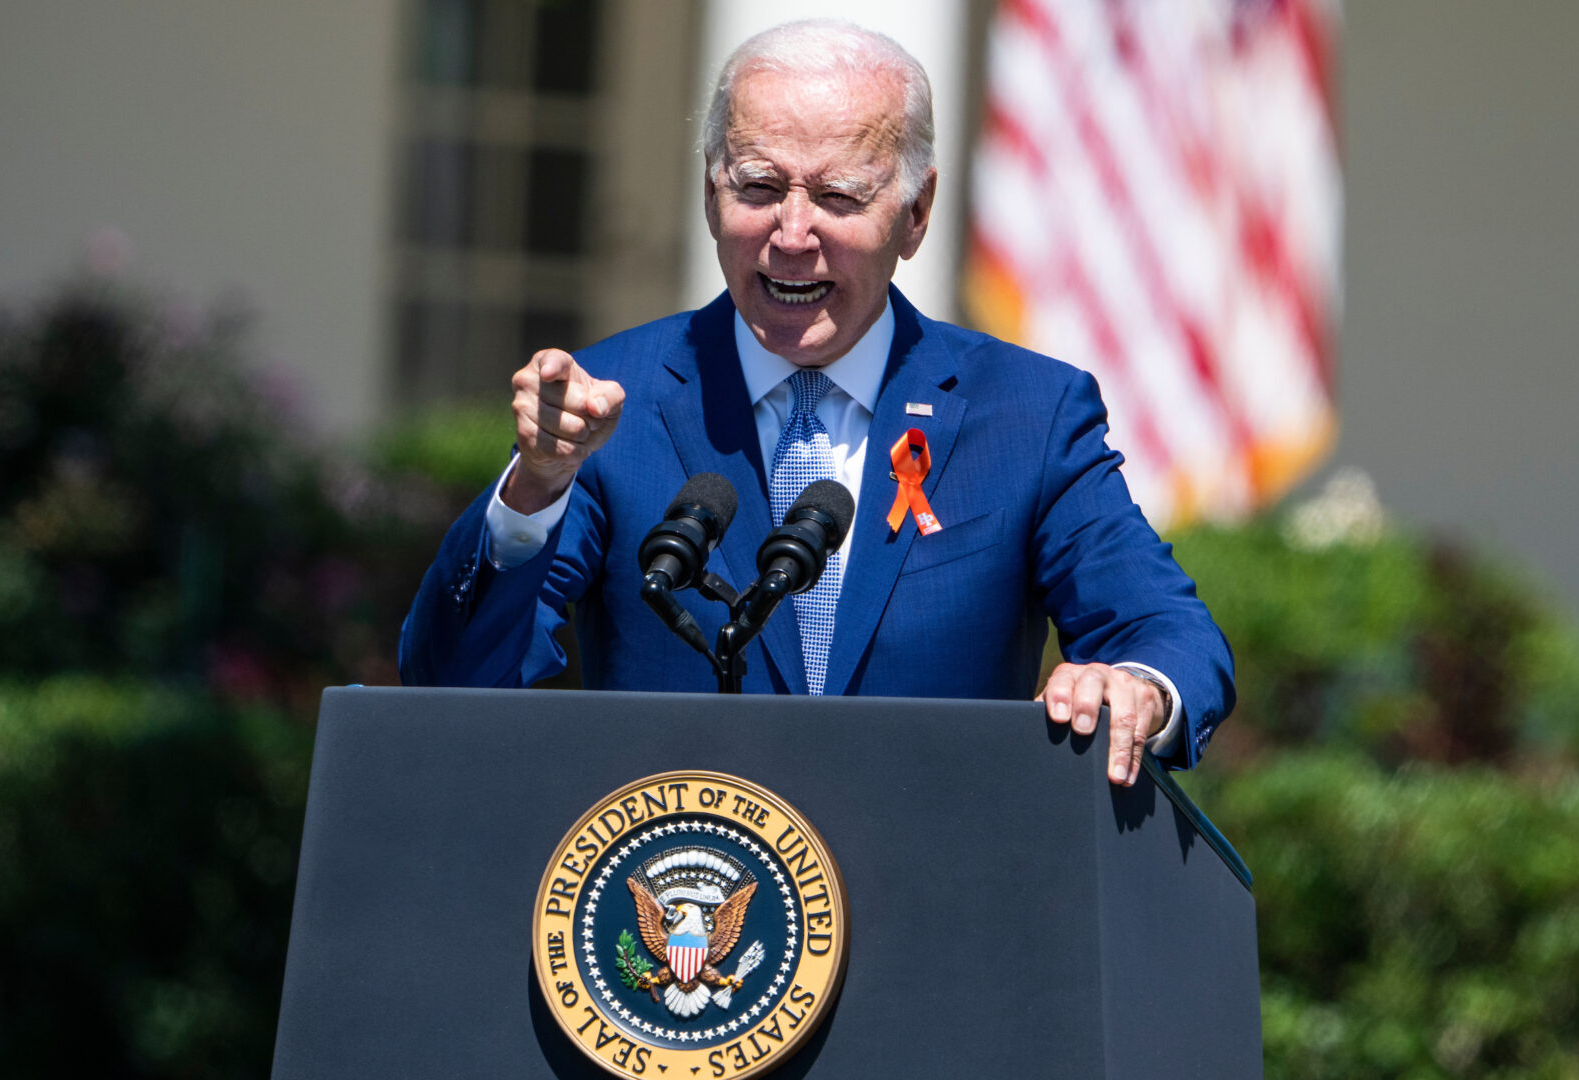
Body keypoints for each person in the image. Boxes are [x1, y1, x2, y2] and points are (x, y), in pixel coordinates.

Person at [400, 19, 1234, 787]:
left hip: (938, 910)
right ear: (708, 194)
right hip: (681, 918)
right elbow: (457, 684)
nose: (792, 235)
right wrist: (535, 490)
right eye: (758, 187)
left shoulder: (1027, 412)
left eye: (838, 197)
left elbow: (1171, 637)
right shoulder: (611, 404)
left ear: (914, 215)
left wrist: (1133, 691)